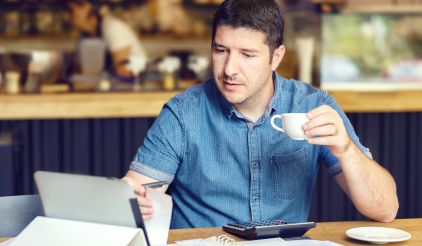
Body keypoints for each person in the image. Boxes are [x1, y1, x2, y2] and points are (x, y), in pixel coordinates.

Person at [123, 0, 399, 229]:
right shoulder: (183, 112)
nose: (230, 68)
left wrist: (347, 150)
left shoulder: (312, 105)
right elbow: (132, 200)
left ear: (275, 58)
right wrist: (133, 201)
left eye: (247, 54)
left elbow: (385, 210)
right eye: (221, 50)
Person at [63, 0, 147, 78]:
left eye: (70, 10)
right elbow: (78, 73)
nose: (66, 17)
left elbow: (124, 74)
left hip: (138, 87)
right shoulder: (82, 38)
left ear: (87, 8)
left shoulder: (112, 28)